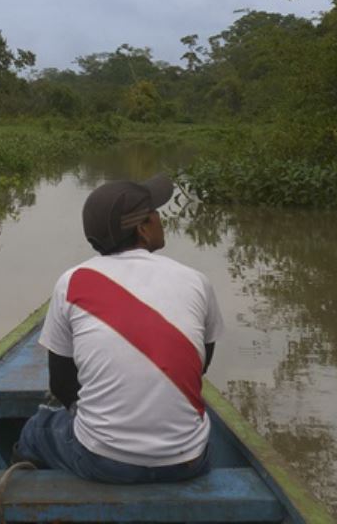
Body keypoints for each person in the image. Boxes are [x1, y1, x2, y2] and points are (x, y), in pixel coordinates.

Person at [13, 175, 222, 484]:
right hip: (188, 461)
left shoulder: (73, 282)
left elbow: (61, 385)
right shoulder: (195, 280)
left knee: (37, 429)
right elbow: (200, 364)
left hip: (103, 463)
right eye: (155, 212)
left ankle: (25, 504)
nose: (160, 218)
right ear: (143, 228)